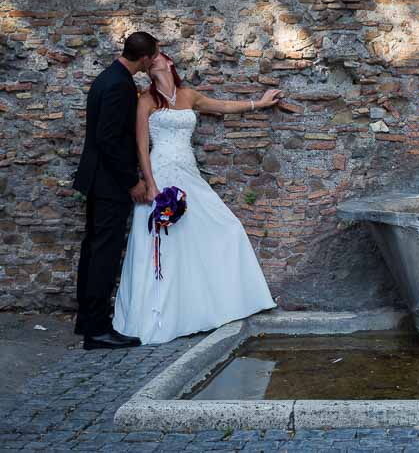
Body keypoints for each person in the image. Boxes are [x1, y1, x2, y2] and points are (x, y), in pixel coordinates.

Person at [112, 51, 283, 344]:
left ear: (169, 63)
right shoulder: (146, 100)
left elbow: (224, 106)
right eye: (149, 58)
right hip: (162, 172)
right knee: (165, 242)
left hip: (188, 171)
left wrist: (260, 102)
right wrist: (150, 183)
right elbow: (141, 146)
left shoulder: (188, 95)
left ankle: (211, 307)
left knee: (226, 228)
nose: (153, 60)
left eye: (158, 56)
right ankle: (161, 316)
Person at [73, 32, 159, 350]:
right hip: (109, 184)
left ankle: (88, 323)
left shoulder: (107, 78)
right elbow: (109, 140)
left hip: (99, 180)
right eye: (155, 56)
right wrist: (131, 182)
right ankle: (97, 331)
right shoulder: (120, 85)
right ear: (147, 58)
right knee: (103, 255)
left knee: (94, 251)